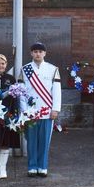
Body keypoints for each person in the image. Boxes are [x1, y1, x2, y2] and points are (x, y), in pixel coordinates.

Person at [19, 41, 62, 177]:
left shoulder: (52, 69)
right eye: (35, 51)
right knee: (31, 140)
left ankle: (42, 166)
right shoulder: (25, 69)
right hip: (31, 111)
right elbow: (21, 91)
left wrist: (55, 109)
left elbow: (56, 91)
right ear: (31, 53)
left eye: (40, 52)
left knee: (44, 141)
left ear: (44, 53)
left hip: (47, 110)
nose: (38, 54)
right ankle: (32, 166)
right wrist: (24, 110)